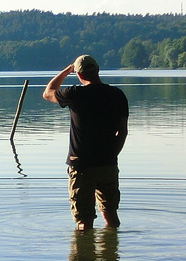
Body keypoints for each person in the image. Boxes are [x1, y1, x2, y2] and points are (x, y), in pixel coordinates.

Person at [42, 55, 129, 230]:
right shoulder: (117, 95)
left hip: (80, 165)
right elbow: (123, 131)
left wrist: (67, 71)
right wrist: (113, 154)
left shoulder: (75, 94)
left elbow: (48, 92)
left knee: (84, 221)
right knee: (111, 216)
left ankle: (84, 256)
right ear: (97, 70)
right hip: (108, 164)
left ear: (79, 74)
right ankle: (110, 255)